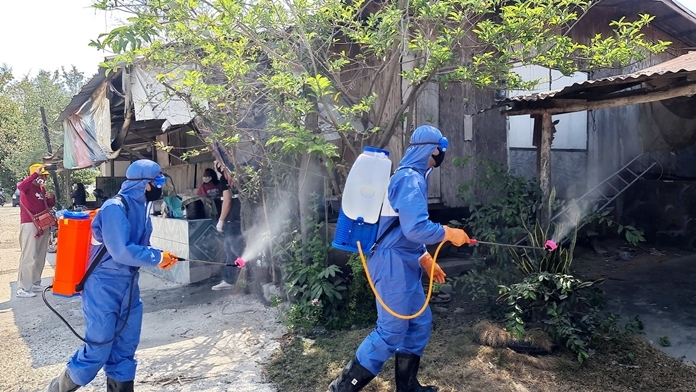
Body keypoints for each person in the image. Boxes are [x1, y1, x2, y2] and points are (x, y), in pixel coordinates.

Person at [327, 125, 470, 392]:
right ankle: (340, 389)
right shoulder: (409, 179)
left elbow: (403, 230)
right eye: (440, 149)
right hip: (391, 263)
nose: (441, 155)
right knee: (391, 330)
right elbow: (415, 229)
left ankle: (408, 387)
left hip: (404, 261)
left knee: (419, 322)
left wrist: (425, 259)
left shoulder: (414, 176)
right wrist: (449, 233)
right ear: (432, 149)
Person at [48, 159, 180, 392]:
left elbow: (140, 248)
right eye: (157, 180)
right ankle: (59, 387)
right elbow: (121, 251)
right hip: (103, 286)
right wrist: (157, 257)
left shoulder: (142, 207)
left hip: (129, 286)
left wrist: (160, 256)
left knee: (125, 347)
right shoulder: (114, 208)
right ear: (144, 184)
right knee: (99, 347)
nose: (160, 186)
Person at [16, 164, 55, 298]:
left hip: (42, 225)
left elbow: (47, 206)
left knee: (39, 255)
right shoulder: (26, 187)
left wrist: (51, 198)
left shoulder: (41, 189)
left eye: (45, 176)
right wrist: (34, 174)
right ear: (35, 175)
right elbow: (20, 187)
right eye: (42, 175)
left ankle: (35, 283)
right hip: (29, 224)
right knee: (29, 256)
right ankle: (23, 288)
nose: (44, 178)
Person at [211, 161, 245, 291]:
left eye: (217, 163)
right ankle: (230, 279)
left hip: (232, 220)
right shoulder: (239, 177)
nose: (216, 165)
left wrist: (220, 220)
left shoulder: (224, 180)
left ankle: (244, 279)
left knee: (237, 250)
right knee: (229, 250)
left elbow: (227, 201)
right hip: (240, 218)